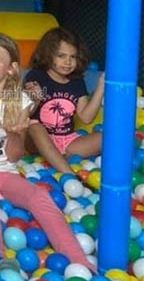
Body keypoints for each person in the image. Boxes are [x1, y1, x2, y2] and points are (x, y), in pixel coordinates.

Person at [0, 33, 94, 269]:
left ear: (11, 68)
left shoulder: (19, 101)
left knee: (39, 195)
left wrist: (16, 133)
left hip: (4, 170)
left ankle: (79, 260)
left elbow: (13, 157)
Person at [25, 27, 104, 177]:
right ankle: (68, 172)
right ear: (48, 55)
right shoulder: (36, 76)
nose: (68, 62)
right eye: (61, 56)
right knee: (36, 127)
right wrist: (34, 98)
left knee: (106, 137)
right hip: (37, 141)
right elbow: (24, 114)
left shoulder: (77, 82)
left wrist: (100, 87)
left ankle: (58, 159)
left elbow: (86, 117)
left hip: (67, 141)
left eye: (73, 57)